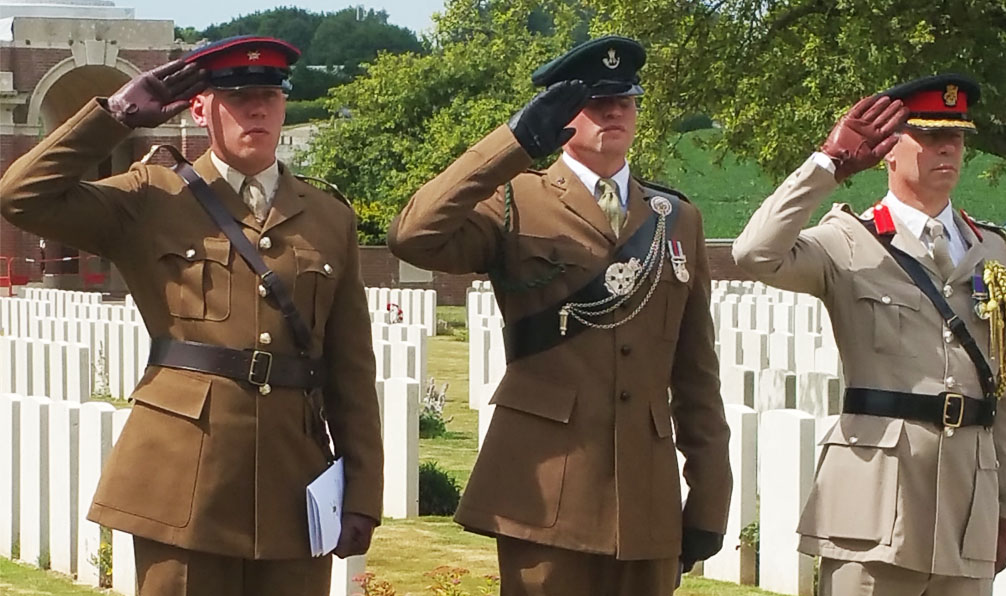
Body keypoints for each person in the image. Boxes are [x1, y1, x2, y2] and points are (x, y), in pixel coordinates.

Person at [0, 35, 383, 596]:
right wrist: (115, 119)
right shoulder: (149, 197)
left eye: (271, 96)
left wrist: (364, 493)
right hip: (182, 478)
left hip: (293, 477)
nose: (258, 108)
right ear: (200, 106)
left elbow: (351, 366)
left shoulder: (327, 216)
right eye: (239, 95)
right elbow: (20, 196)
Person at [388, 35, 733, 596]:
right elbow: (412, 235)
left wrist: (710, 497)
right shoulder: (514, 200)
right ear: (559, 113)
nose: (613, 111)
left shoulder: (676, 218)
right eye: (595, 101)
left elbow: (695, 373)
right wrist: (513, 143)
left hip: (645, 499)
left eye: (624, 99)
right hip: (544, 492)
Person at [731, 74, 1006, 595]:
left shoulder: (997, 253)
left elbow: (1003, 394)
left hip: (969, 507)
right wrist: (827, 164)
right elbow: (754, 254)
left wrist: (1005, 505)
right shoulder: (847, 241)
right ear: (887, 151)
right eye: (927, 135)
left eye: (957, 136)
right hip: (874, 508)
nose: (947, 147)